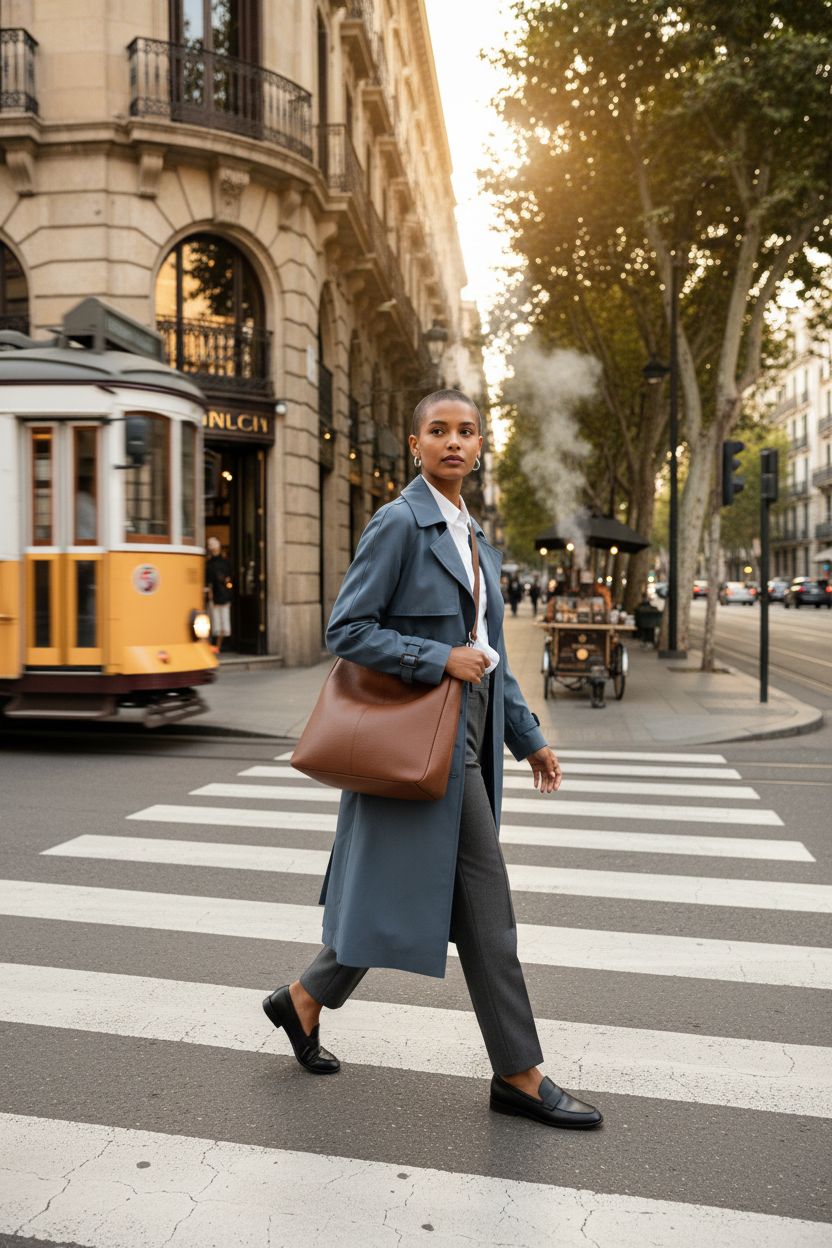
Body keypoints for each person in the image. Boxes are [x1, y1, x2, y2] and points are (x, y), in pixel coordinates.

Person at [262, 388, 602, 1131]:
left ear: (482, 445)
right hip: (422, 741)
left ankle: (303, 999)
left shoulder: (476, 539)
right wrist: (433, 656)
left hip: (470, 738)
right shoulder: (399, 523)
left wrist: (530, 735)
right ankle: (518, 1074)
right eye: (439, 431)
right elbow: (347, 628)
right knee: (488, 912)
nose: (454, 442)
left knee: (400, 892)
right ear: (413, 442)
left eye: (468, 431)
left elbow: (492, 657)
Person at [205, 536, 233, 653]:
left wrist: (227, 584)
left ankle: (219, 646)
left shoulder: (225, 562)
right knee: (215, 621)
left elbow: (229, 579)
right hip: (216, 595)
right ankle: (217, 646)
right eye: (212, 546)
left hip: (223, 594)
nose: (214, 548)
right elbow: (209, 581)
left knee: (223, 620)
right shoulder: (209, 564)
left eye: (215, 545)